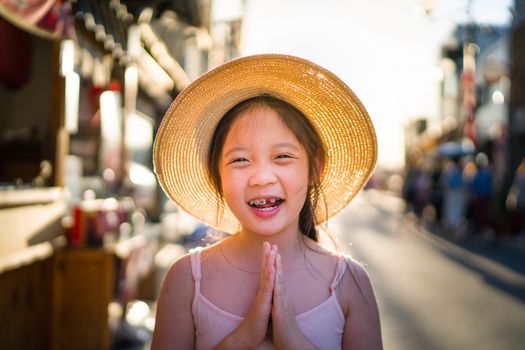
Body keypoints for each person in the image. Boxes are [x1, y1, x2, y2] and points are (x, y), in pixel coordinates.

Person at [151, 54, 382, 350]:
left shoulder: (349, 283)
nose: (261, 177)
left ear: (315, 168)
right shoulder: (186, 280)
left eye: (282, 157)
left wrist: (295, 342)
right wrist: (242, 339)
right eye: (240, 160)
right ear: (216, 176)